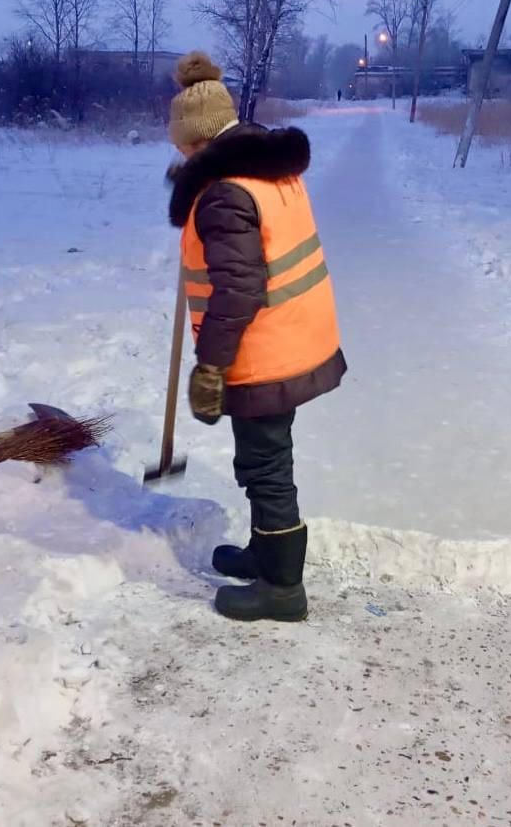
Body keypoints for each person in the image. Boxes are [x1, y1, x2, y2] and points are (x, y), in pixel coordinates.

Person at [166, 51, 346, 622]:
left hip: (266, 347)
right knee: (262, 456)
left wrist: (210, 365)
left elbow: (239, 290)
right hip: (295, 334)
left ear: (198, 141)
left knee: (266, 465)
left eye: (184, 149)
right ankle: (264, 553)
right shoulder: (266, 165)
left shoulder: (223, 194)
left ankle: (282, 589)